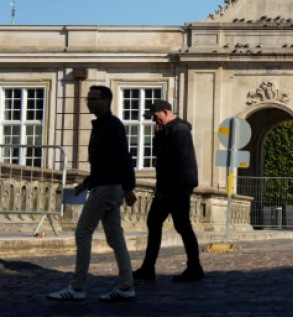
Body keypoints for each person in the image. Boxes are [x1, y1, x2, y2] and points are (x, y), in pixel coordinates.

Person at [48, 86, 137, 302]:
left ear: (106, 101)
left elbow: (123, 158)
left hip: (107, 188)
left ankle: (77, 287)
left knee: (83, 231)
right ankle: (126, 285)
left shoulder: (112, 126)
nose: (89, 102)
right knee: (115, 238)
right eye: (88, 99)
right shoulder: (101, 125)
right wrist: (86, 183)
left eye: (94, 99)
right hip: (105, 185)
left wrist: (128, 188)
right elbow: (102, 163)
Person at [133, 100, 203, 283]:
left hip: (177, 186)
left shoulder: (179, 130)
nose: (154, 120)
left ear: (165, 112)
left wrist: (168, 187)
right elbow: (159, 154)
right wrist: (158, 135)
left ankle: (194, 268)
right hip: (169, 185)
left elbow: (178, 159)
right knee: (157, 222)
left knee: (181, 225)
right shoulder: (167, 130)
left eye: (156, 116)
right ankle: (149, 268)